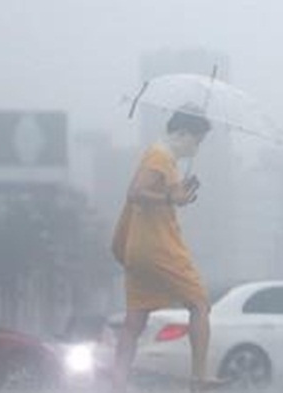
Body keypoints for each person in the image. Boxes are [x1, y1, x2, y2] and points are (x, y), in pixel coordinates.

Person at [110, 106, 224, 392]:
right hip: (159, 248)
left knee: (135, 319)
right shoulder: (160, 156)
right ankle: (199, 378)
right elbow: (135, 192)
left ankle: (117, 382)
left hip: (139, 248)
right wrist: (171, 197)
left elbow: (160, 195)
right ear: (182, 133)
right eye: (197, 140)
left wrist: (177, 194)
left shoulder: (163, 158)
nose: (197, 146)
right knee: (199, 303)